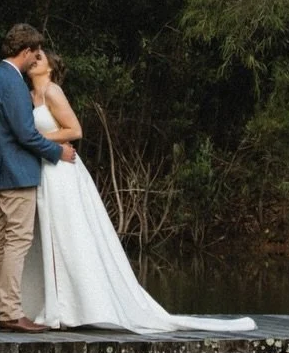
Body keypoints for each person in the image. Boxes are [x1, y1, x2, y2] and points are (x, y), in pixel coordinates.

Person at [20, 49, 255, 333]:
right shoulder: (29, 96)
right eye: (33, 57)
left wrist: (36, 138)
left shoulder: (53, 91)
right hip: (44, 170)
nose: (35, 60)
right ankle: (56, 304)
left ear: (50, 68)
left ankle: (80, 305)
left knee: (70, 234)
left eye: (41, 58)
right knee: (49, 236)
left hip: (62, 171)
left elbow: (75, 130)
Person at [0, 24, 77, 333]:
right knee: (17, 241)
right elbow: (25, 134)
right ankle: (9, 311)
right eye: (35, 52)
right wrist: (56, 152)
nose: (37, 57)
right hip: (14, 173)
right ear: (25, 51)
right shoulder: (12, 84)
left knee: (3, 238)